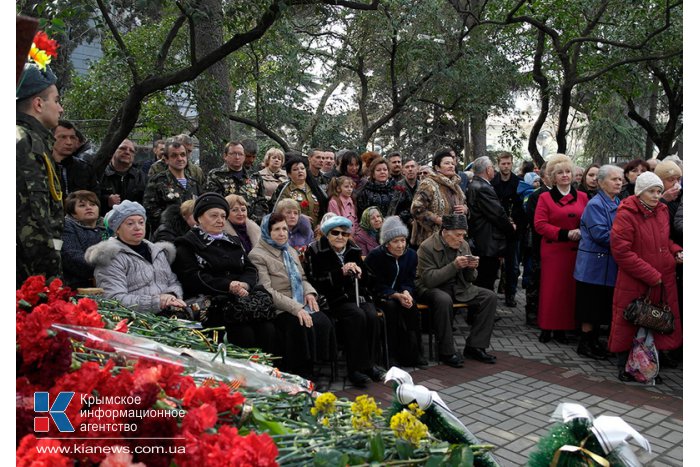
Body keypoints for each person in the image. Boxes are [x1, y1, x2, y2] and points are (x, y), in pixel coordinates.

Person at [172, 193, 275, 351]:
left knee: (268, 329)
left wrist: (244, 284)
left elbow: (249, 268)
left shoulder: (232, 240)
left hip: (242, 301)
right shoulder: (187, 244)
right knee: (243, 334)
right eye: (213, 215)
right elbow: (192, 277)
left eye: (223, 216)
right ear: (199, 218)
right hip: (213, 304)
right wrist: (229, 285)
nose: (220, 220)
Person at [609, 172, 683, 383]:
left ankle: (649, 367)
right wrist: (650, 274)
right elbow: (622, 252)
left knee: (655, 324)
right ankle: (625, 367)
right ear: (640, 191)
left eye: (659, 191)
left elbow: (664, 240)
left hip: (662, 280)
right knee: (630, 322)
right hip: (636, 280)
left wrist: (676, 250)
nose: (656, 195)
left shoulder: (661, 211)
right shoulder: (626, 213)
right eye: (651, 191)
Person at [249, 214, 335, 379]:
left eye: (284, 229)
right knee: (299, 324)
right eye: (276, 230)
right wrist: (296, 308)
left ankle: (315, 364)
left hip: (299, 298)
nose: (282, 233)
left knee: (322, 320)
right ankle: (299, 371)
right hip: (279, 306)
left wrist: (309, 292)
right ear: (267, 232)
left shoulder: (290, 250)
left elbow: (302, 278)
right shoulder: (258, 255)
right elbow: (266, 290)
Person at [305, 214, 385, 388]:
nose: (341, 237)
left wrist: (360, 273)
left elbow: (370, 278)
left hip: (356, 295)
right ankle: (355, 369)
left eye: (345, 234)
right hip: (333, 299)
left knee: (371, 314)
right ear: (327, 234)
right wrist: (340, 273)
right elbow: (316, 280)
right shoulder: (316, 250)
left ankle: (370, 365)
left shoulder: (353, 250)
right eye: (336, 233)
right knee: (356, 315)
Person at [416, 214, 498, 368]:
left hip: (458, 287)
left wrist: (471, 268)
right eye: (458, 235)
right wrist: (454, 266)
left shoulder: (463, 245)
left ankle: (475, 346)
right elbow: (429, 279)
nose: (461, 239)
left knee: (489, 297)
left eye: (463, 235)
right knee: (443, 299)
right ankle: (446, 351)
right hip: (432, 288)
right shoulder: (427, 247)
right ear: (445, 232)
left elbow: (469, 279)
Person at [85, 201, 186, 313]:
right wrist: (158, 302)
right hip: (135, 320)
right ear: (117, 229)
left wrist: (171, 295)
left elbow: (173, 281)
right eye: (130, 223)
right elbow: (114, 299)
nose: (137, 227)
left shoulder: (157, 251)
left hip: (169, 314)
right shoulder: (111, 256)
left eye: (141, 222)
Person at [16, 61, 65, 284]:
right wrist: (50, 282)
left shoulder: (35, 141)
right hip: (27, 276)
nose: (60, 108)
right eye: (56, 101)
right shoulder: (25, 142)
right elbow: (33, 220)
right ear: (38, 104)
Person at [534, 154, 588, 343]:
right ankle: (547, 327)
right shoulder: (545, 197)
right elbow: (540, 225)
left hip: (575, 251)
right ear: (553, 176)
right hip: (554, 250)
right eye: (560, 173)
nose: (565, 175)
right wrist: (565, 233)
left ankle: (563, 329)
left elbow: (589, 221)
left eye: (568, 172)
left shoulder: (583, 197)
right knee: (551, 290)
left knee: (568, 290)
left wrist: (580, 232)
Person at [573, 165, 624, 360]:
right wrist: (627, 238)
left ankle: (594, 342)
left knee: (600, 306)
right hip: (593, 267)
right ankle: (585, 344)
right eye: (614, 179)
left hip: (608, 266)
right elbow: (601, 234)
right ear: (601, 183)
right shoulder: (595, 204)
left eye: (620, 179)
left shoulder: (617, 202)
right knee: (590, 306)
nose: (618, 182)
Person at [365, 217, 426, 367]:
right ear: (387, 243)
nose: (400, 245)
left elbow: (410, 279)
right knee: (391, 308)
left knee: (411, 307)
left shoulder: (411, 255)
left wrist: (406, 292)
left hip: (400, 294)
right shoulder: (376, 256)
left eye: (403, 240)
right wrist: (393, 294)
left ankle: (413, 354)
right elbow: (373, 283)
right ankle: (389, 355)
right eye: (395, 241)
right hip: (380, 295)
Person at [467, 156, 516, 294]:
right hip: (487, 243)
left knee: (483, 280)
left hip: (482, 241)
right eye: (492, 168)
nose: (494, 171)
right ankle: (482, 315)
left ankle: (481, 314)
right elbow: (498, 214)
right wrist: (511, 229)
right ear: (488, 170)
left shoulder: (475, 184)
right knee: (485, 282)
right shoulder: (482, 187)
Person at [143, 138, 201, 232]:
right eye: (174, 155)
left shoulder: (194, 182)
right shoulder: (157, 181)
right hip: (169, 235)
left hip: (194, 235)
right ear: (166, 159)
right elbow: (150, 212)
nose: (180, 158)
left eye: (182, 155)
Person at [411, 151, 467, 247]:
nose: (451, 166)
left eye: (452, 163)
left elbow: (464, 203)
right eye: (447, 163)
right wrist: (438, 219)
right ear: (437, 168)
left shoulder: (456, 186)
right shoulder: (428, 184)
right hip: (431, 239)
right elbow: (416, 209)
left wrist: (465, 209)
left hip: (453, 239)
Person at [205, 141, 268, 223]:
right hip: (225, 223)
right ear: (225, 156)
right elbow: (213, 202)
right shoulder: (215, 175)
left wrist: (253, 220)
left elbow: (261, 201)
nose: (237, 157)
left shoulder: (255, 176)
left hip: (252, 223)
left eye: (240, 154)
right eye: (233, 154)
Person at [61, 190, 107, 288]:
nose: (89, 208)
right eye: (82, 206)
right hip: (78, 286)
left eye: (93, 204)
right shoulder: (67, 226)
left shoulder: (109, 227)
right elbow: (72, 257)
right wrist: (106, 269)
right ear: (72, 212)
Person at [52, 120, 100, 198]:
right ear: (51, 138)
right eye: (63, 137)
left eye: (72, 137)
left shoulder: (84, 168)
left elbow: (95, 197)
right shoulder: (42, 166)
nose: (69, 142)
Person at [99, 139, 147, 215]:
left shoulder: (140, 176)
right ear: (113, 150)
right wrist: (106, 200)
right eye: (122, 148)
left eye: (131, 151)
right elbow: (88, 198)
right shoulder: (100, 173)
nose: (127, 152)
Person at [271, 155, 321, 227]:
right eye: (295, 169)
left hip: (315, 232)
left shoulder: (315, 188)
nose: (300, 171)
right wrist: (299, 217)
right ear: (289, 174)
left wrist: (320, 225)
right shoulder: (284, 189)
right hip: (293, 231)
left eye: (302, 168)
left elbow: (324, 208)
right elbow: (277, 212)